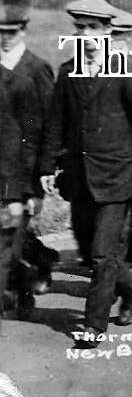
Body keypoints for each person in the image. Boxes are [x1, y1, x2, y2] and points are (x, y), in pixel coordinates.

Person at [40, 0, 132, 347]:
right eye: (80, 28)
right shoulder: (68, 71)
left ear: (107, 31)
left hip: (115, 176)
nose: (85, 34)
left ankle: (93, 325)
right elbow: (56, 122)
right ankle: (129, 284)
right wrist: (48, 165)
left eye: (93, 27)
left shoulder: (125, 69)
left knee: (101, 253)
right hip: (78, 177)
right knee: (90, 250)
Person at [0, 36, 41, 320]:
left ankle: (23, 281)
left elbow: (18, 143)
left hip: (6, 184)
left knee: (6, 251)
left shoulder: (15, 85)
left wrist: (18, 193)